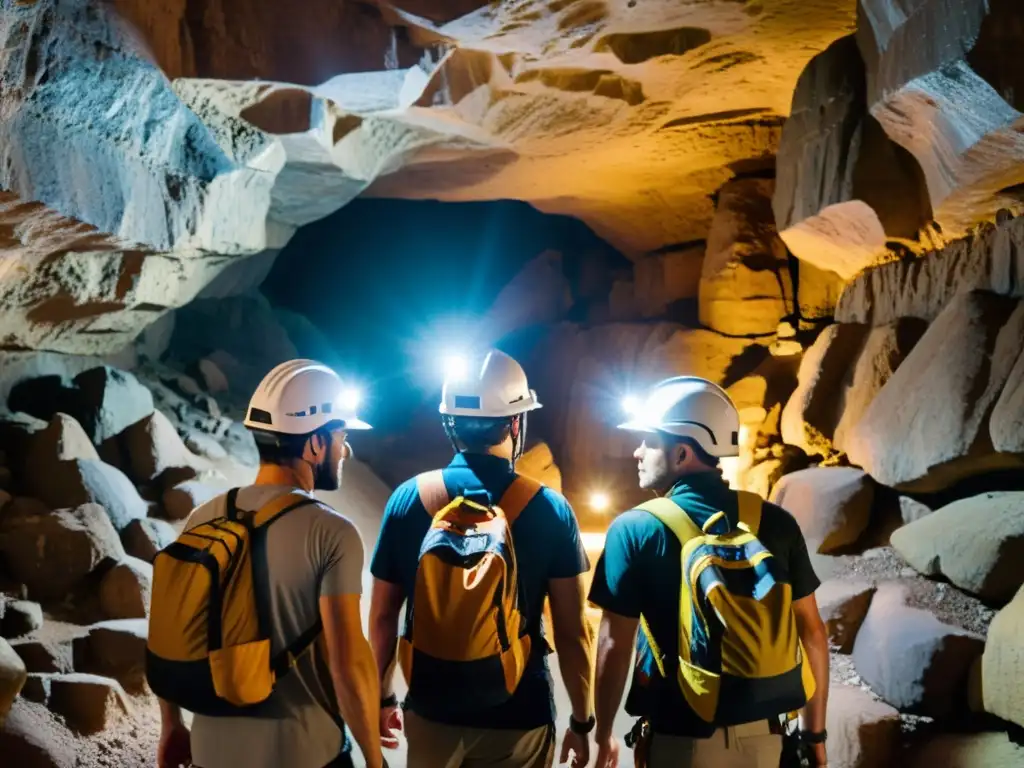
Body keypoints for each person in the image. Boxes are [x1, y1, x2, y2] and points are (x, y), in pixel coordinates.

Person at [588, 376, 830, 768]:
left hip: (682, 743)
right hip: (767, 742)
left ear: (681, 453)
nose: (637, 452)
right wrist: (814, 735)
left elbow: (614, 645)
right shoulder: (776, 522)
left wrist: (601, 736)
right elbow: (813, 633)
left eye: (649, 441)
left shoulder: (634, 530)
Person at [368, 349, 595, 768]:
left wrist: (383, 697)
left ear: (449, 422)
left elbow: (383, 617)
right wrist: (582, 722)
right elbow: (572, 631)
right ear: (515, 421)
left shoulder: (408, 499)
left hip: (431, 710)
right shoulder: (550, 509)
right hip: (518, 715)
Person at [156, 359, 386, 768]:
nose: (346, 448)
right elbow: (347, 664)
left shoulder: (204, 517)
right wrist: (374, 759)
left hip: (211, 755)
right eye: (341, 435)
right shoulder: (332, 533)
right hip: (300, 754)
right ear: (315, 444)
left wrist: (171, 725)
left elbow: (172, 632)